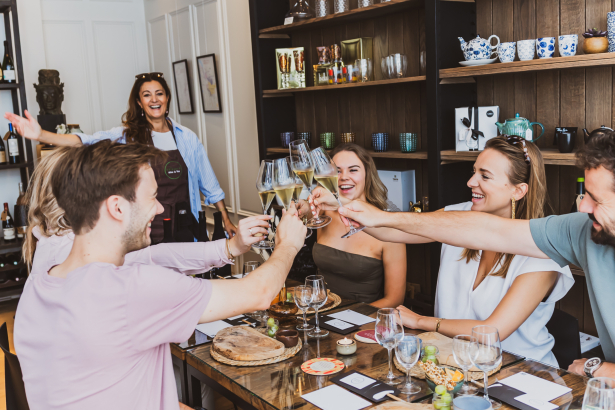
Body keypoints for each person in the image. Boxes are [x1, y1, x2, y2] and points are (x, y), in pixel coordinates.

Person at [14, 140, 306, 409]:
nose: (160, 207)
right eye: (152, 196)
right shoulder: (132, 289)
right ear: (117, 207)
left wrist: (229, 247)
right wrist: (289, 244)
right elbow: (260, 292)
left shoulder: (38, 287)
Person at [326, 132, 615, 378]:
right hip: (453, 364)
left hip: (518, 373)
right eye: (474, 171)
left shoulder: (546, 250)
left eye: (485, 175)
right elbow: (400, 229)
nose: (470, 182)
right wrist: (345, 207)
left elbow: (493, 331)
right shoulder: (461, 218)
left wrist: (421, 321)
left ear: (518, 191)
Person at [5, 72, 237, 242]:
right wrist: (42, 134)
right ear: (139, 102)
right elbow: (85, 140)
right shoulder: (129, 136)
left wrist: (225, 219)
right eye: (147, 95)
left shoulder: (187, 138)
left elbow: (210, 185)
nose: (154, 100)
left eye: (159, 94)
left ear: (167, 98)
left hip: (186, 227)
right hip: (148, 229)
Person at [22, 146, 270, 275]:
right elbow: (153, 260)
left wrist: (230, 247)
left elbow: (154, 256)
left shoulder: (53, 241)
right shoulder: (79, 260)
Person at [298, 143, 406, 307]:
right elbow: (303, 211)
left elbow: (395, 299)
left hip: (363, 321)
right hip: (320, 313)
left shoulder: (387, 225)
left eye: (353, 170)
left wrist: (349, 317)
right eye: (337, 170)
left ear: (367, 175)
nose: (343, 177)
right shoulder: (323, 214)